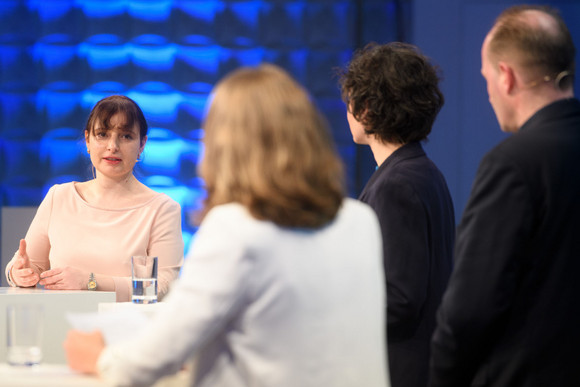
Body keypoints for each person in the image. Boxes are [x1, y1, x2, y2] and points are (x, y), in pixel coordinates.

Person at [63, 64, 390, 387]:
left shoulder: (234, 229)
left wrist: (100, 357)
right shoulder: (360, 222)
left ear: (225, 143)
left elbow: (156, 356)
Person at [429, 5, 580, 387]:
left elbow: (470, 310)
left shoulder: (512, 163)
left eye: (486, 79)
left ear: (506, 76)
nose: (490, 94)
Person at [338, 42, 455, 387]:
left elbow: (399, 300)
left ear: (367, 108)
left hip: (400, 370)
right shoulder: (422, 170)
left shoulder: (396, 184)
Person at [5, 95, 184, 302]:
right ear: (88, 140)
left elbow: (163, 285)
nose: (113, 146)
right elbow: (28, 266)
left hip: (127, 330)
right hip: (58, 325)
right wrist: (18, 273)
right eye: (103, 134)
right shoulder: (59, 197)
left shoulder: (161, 208)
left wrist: (90, 282)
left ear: (142, 144)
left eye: (126, 136)